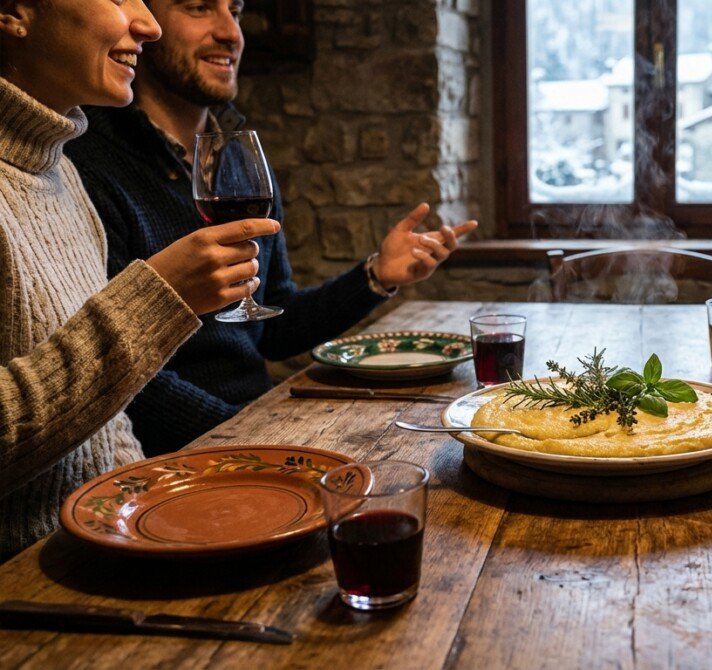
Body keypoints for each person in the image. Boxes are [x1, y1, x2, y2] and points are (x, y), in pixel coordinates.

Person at [65, 0, 478, 455]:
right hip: (183, 456)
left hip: (252, 425)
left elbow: (272, 327)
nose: (231, 33)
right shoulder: (87, 162)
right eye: (200, 8)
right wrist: (255, 437)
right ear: (143, 23)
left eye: (236, 11)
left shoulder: (239, 162)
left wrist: (376, 276)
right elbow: (116, 378)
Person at [0, 0, 281, 556]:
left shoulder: (59, 169)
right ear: (13, 11)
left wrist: (156, 514)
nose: (147, 26)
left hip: (109, 539)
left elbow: (107, 427)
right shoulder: (98, 165)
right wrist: (158, 300)